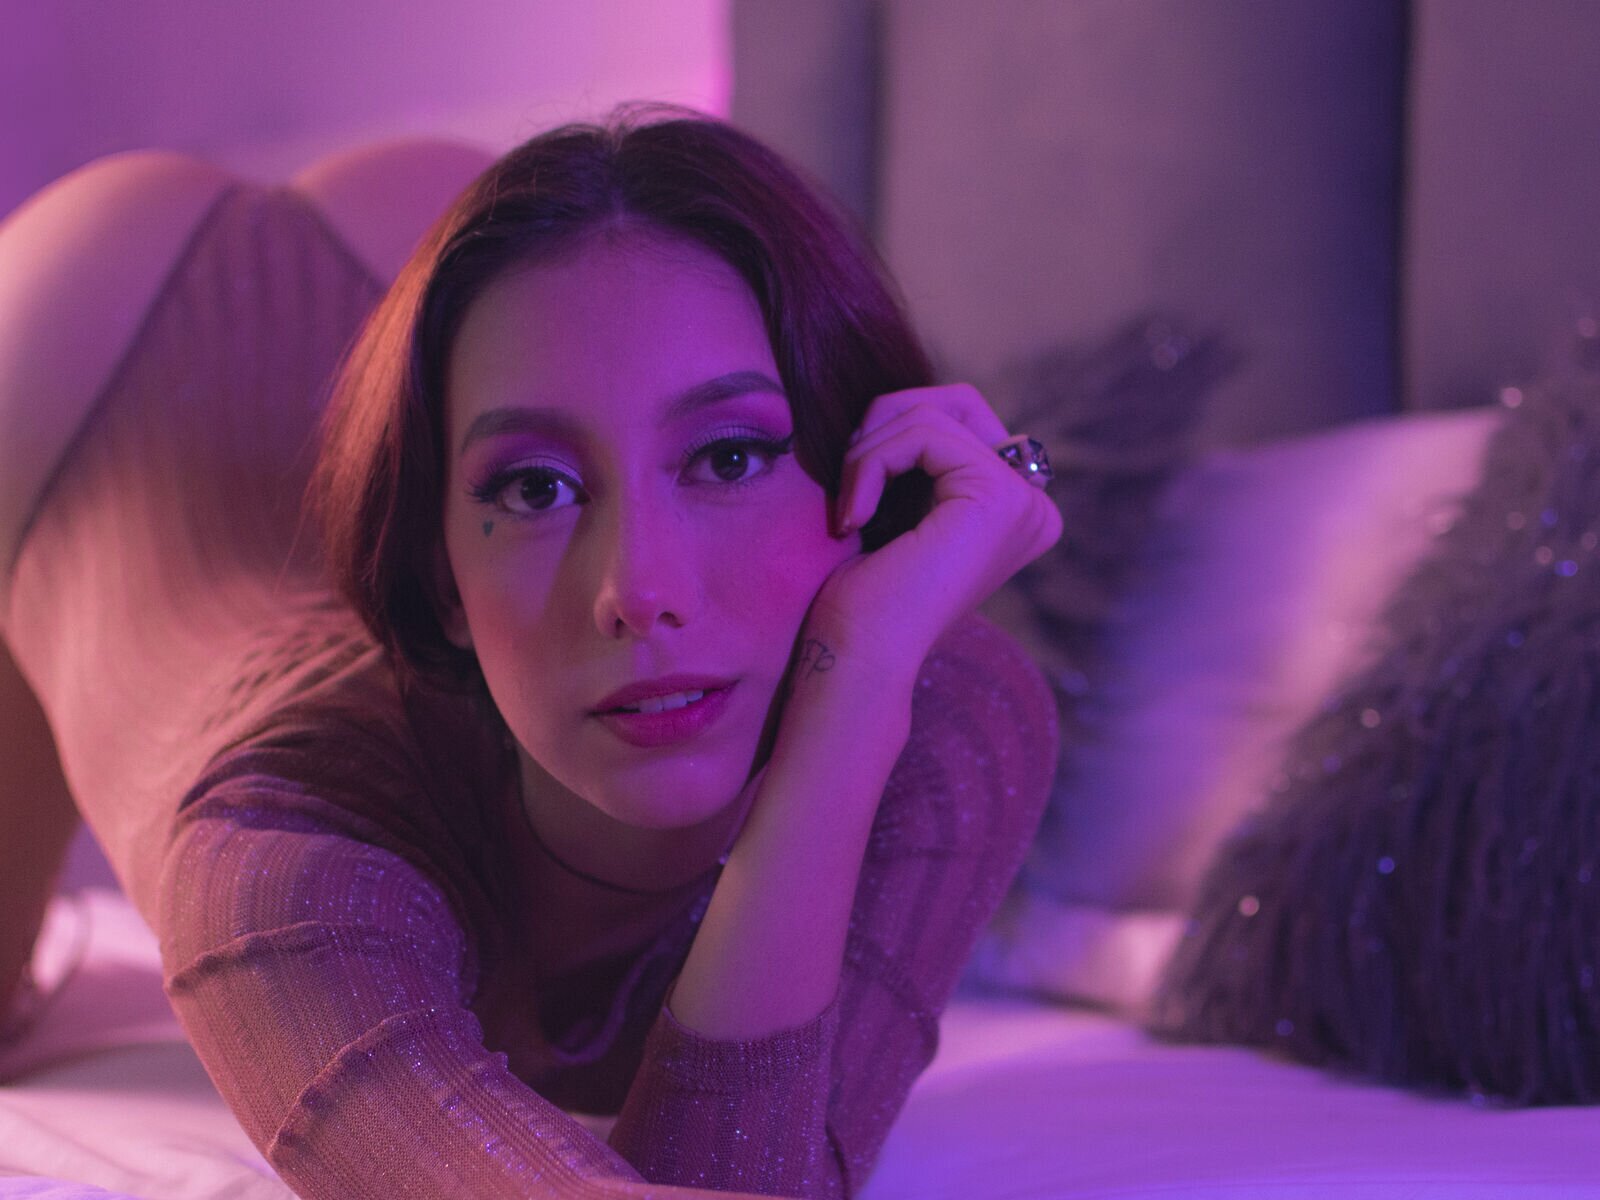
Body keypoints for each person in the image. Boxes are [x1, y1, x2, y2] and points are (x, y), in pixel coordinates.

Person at [0, 107, 1061, 1198]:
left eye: (731, 458)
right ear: (442, 582)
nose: (639, 594)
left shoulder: (945, 712)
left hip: (421, 256)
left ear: (862, 485)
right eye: (537, 488)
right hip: (79, 366)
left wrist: (861, 683)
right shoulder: (284, 856)